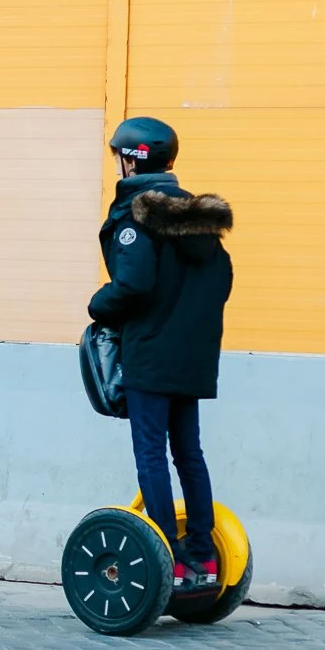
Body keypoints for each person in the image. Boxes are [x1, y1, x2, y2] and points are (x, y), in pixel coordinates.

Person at [88, 116, 234, 595]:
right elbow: (222, 283)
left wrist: (98, 305)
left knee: (150, 450)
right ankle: (201, 555)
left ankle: (165, 555)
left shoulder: (137, 216)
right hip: (191, 359)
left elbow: (134, 284)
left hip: (150, 354)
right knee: (188, 452)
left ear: (134, 159)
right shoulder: (198, 222)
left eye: (120, 156)